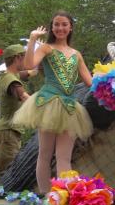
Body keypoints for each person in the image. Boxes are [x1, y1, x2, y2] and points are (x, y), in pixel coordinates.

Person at [13, 11, 93, 193]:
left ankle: (64, 198)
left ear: (70, 27)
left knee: (64, 157)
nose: (60, 28)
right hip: (48, 103)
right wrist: (33, 39)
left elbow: (90, 82)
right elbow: (28, 65)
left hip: (69, 107)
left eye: (64, 24)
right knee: (45, 154)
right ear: (52, 27)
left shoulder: (76, 54)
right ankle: (45, 196)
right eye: (56, 24)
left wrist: (111, 81)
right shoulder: (46, 48)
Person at [0, 44, 34, 182]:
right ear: (17, 58)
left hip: (8, 132)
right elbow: (24, 97)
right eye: (24, 58)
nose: (26, 61)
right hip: (7, 133)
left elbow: (29, 72)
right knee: (2, 174)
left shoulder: (6, 75)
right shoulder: (11, 80)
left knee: (7, 172)